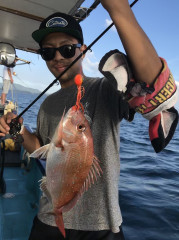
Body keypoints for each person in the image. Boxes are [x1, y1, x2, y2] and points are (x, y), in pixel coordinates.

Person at [0, 0, 178, 239]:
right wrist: (19, 131)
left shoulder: (105, 89)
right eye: (47, 52)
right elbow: (42, 149)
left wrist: (118, 9)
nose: (57, 57)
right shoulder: (46, 104)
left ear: (82, 50)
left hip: (100, 227)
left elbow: (151, 82)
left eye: (67, 49)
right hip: (48, 218)